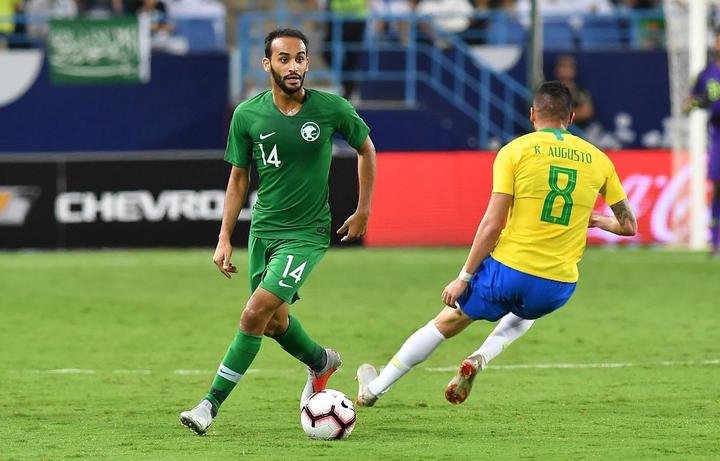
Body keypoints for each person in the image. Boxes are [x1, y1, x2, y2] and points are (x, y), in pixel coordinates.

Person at [356, 80, 637, 407]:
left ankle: (373, 390)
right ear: (571, 117)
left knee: (446, 322)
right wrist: (596, 219)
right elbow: (628, 225)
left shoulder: (515, 151)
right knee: (525, 313)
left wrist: (463, 278)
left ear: (532, 114)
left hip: (509, 270)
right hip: (557, 284)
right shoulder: (599, 160)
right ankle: (480, 357)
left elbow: (492, 224)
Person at [180, 27, 376, 435]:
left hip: (306, 233)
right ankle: (321, 361)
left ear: (308, 62)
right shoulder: (247, 115)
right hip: (263, 231)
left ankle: (208, 405)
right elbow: (238, 178)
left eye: (300, 58)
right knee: (272, 322)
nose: (293, 66)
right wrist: (224, 237)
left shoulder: (331, 108)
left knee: (253, 314)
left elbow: (366, 149)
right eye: (284, 59)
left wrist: (363, 210)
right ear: (267, 64)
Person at [686, 33, 720, 256]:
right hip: (718, 135)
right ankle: (715, 240)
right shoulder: (705, 74)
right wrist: (698, 102)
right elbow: (687, 104)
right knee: (718, 187)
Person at [554, 55, 594, 129]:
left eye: (568, 67)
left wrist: (562, 114)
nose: (564, 70)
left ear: (574, 71)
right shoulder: (549, 91)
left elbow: (586, 112)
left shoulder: (580, 92)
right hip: (555, 131)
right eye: (562, 66)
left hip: (578, 129)